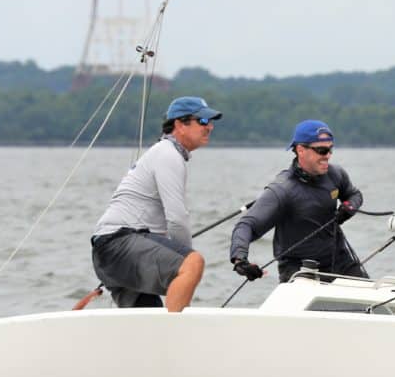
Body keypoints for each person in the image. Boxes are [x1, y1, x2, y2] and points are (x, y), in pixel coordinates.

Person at [90, 96, 220, 311]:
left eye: (211, 122)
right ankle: (174, 333)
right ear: (179, 125)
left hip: (110, 249)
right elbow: (177, 219)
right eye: (203, 121)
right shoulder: (168, 155)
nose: (210, 127)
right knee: (193, 263)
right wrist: (183, 257)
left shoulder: (164, 153)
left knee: (147, 316)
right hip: (119, 243)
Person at [229, 119, 367, 282]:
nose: (328, 156)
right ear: (301, 150)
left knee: (375, 303)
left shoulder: (336, 174)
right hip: (299, 270)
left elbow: (355, 195)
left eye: (330, 149)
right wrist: (240, 260)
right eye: (322, 150)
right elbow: (246, 225)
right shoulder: (282, 189)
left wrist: (349, 206)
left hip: (341, 262)